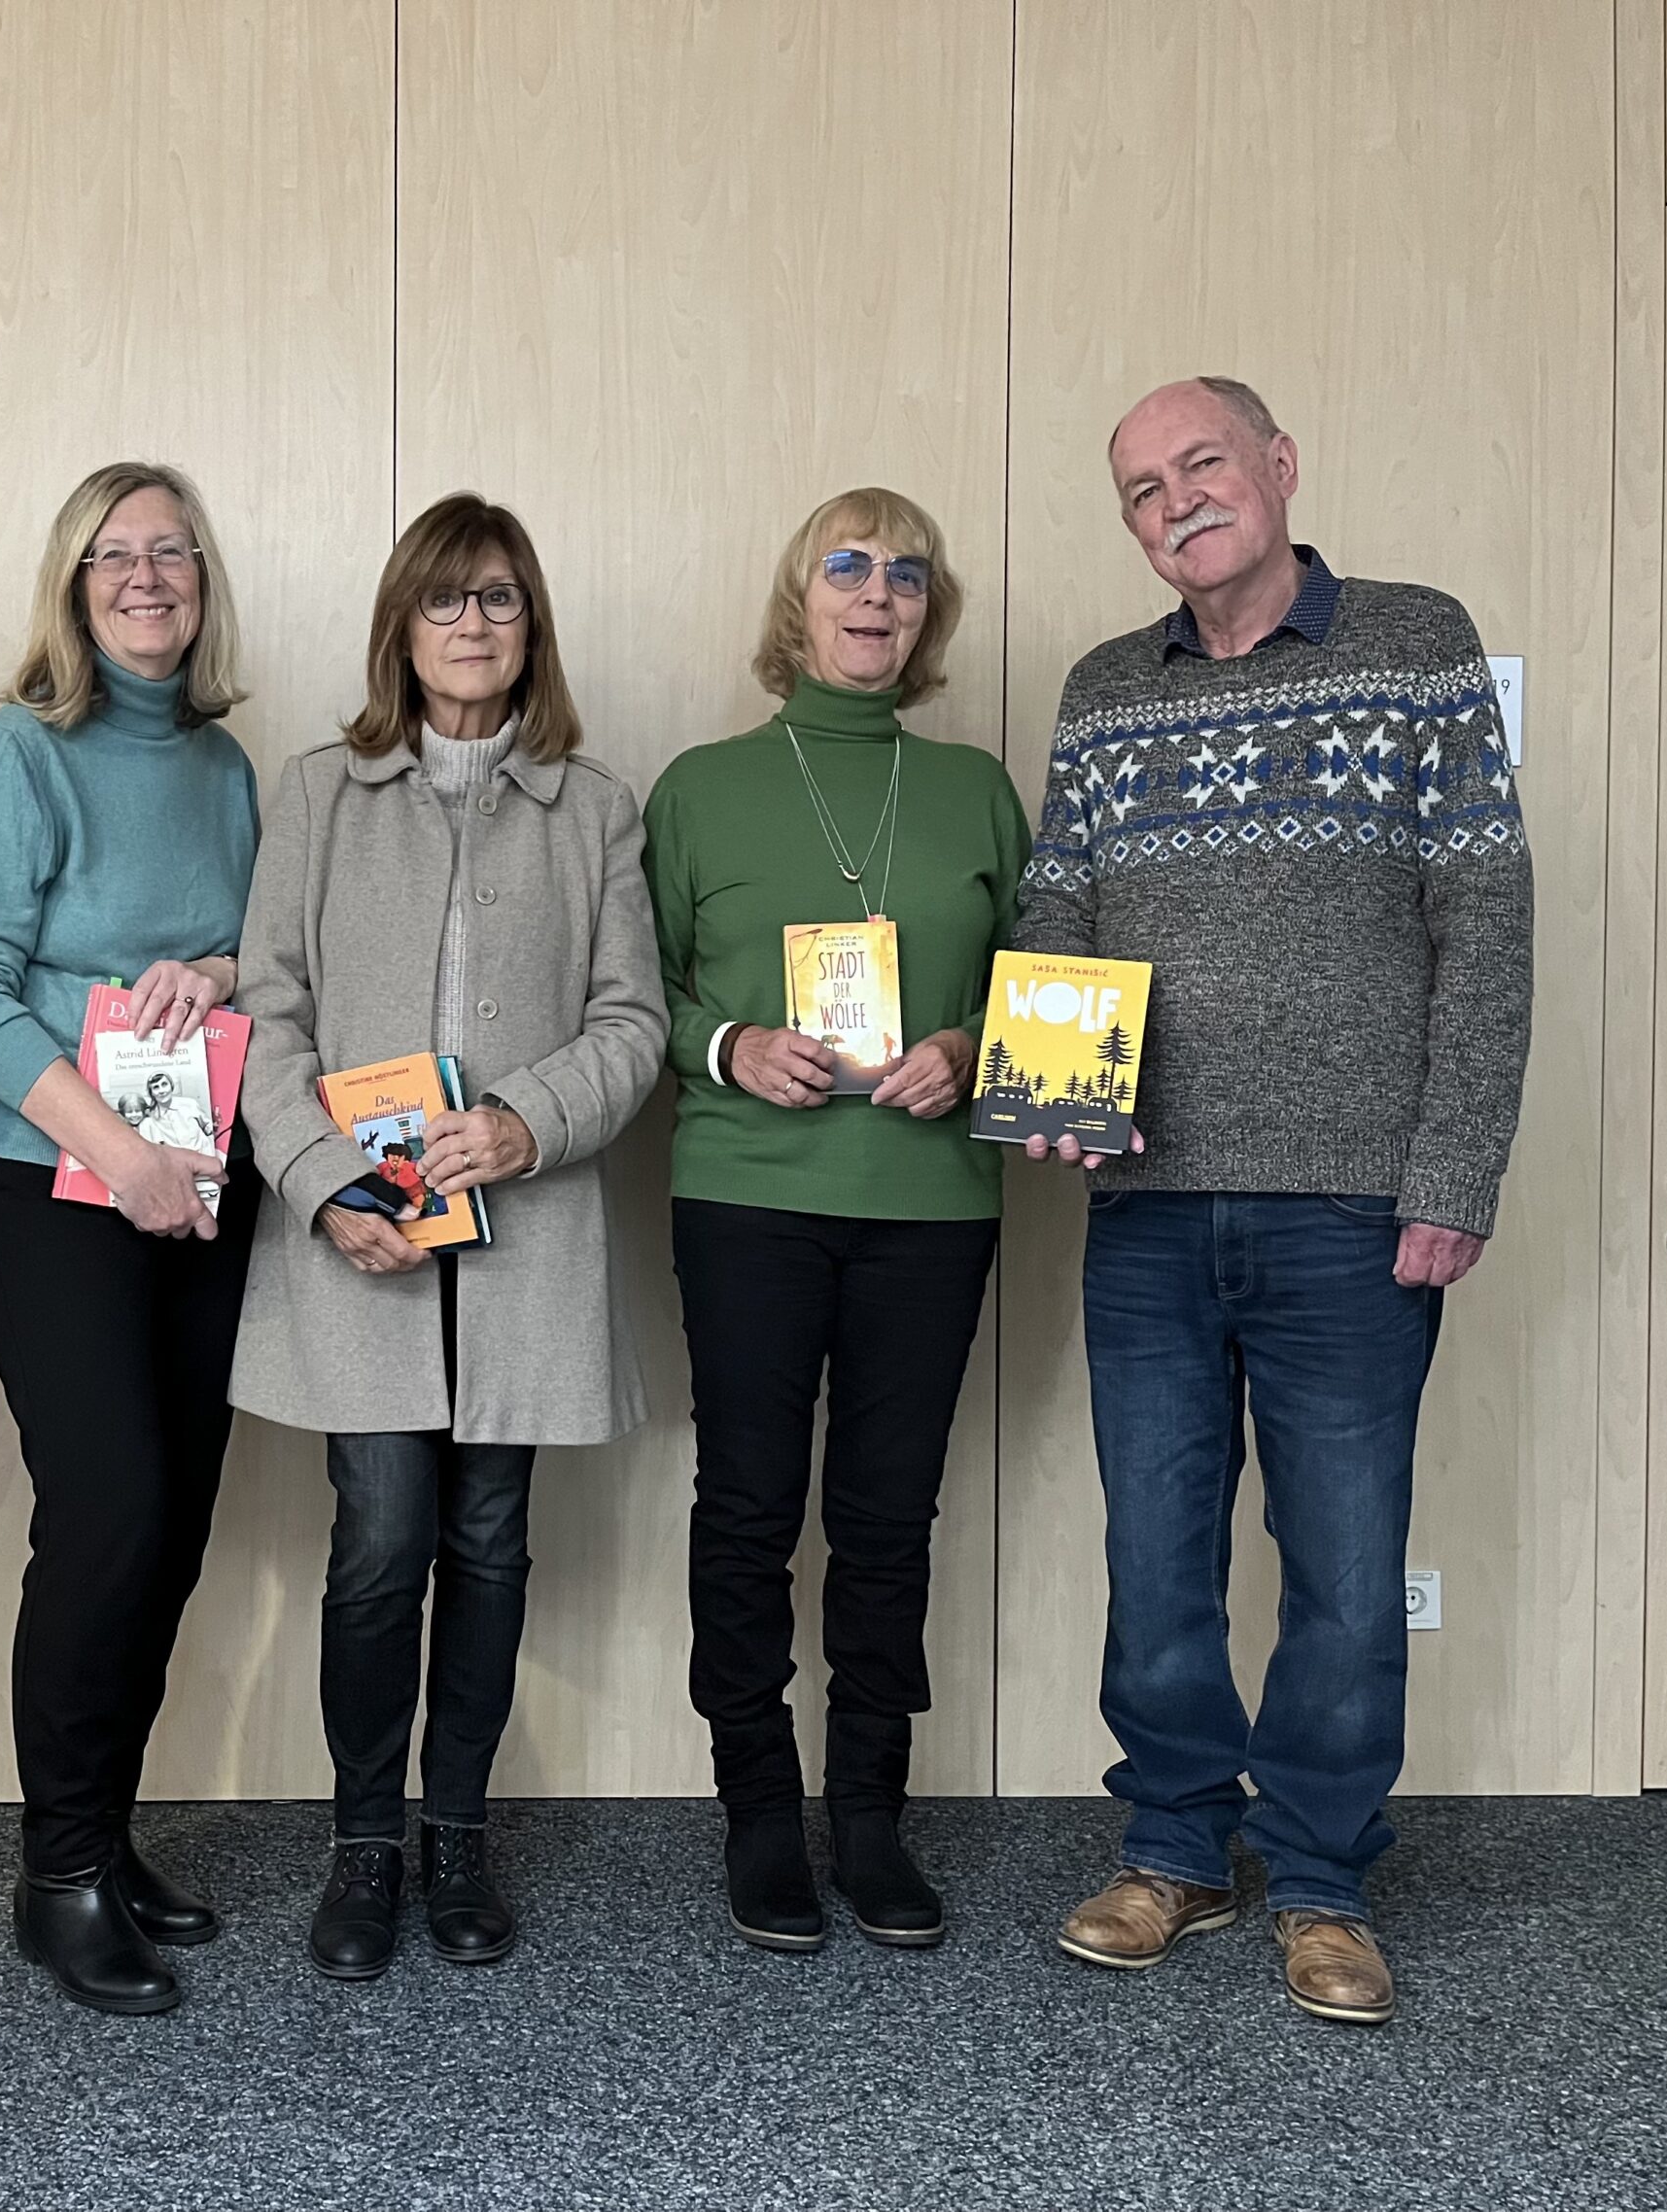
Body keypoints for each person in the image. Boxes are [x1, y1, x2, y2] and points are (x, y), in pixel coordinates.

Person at [1023, 377, 1531, 2024]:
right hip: (1149, 1211)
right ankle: (1173, 1847)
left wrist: (1451, 1177)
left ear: (1279, 467)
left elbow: (1489, 928)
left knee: (1343, 1564)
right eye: (1140, 490)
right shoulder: (1107, 690)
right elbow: (1061, 913)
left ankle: (1319, 1880)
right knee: (1158, 1558)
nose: (1175, 502)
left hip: (1352, 1210)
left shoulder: (1415, 642)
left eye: (1201, 465)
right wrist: (1051, 1094)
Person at [231, 494, 665, 1981]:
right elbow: (268, 1009)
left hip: (528, 1234)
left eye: (498, 598)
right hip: (366, 1239)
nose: (473, 624)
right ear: (398, 628)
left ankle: (458, 1832)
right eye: (444, 600)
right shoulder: (317, 792)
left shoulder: (597, 807)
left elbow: (635, 1022)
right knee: (383, 1541)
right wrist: (323, 1178)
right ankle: (365, 1840)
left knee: (490, 1540)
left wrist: (531, 1121)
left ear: (530, 623)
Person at [643, 489, 1032, 1953]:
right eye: (849, 569)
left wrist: (977, 1042)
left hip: (932, 1206)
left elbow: (1048, 986)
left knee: (887, 1522)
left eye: (909, 576)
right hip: (747, 1195)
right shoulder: (697, 788)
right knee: (747, 1512)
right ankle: (758, 1811)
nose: (878, 596)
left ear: (930, 614)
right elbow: (643, 996)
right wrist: (731, 1044)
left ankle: (870, 1816)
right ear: (797, 601)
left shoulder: (980, 791)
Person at [0, 462, 261, 2016]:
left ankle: (106, 1835)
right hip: (51, 1174)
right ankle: (55, 1875)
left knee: (177, 1515)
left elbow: (253, 952)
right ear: (74, 583)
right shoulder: (20, 751)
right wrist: (117, 1153)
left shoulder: (223, 764)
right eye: (115, 556)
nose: (147, 579)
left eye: (173, 555)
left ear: (204, 584)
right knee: (111, 1507)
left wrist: (211, 960)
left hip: (198, 1173)